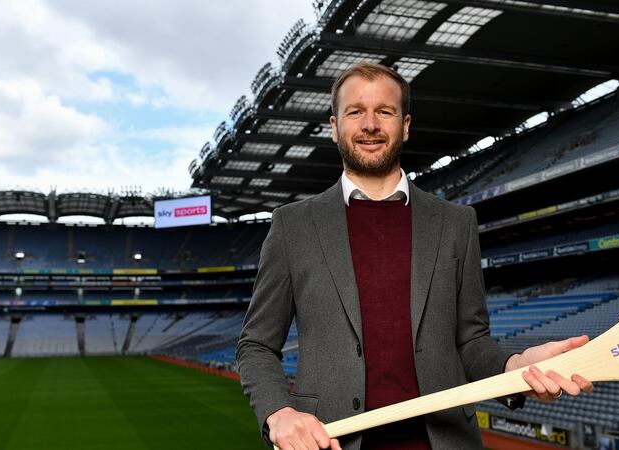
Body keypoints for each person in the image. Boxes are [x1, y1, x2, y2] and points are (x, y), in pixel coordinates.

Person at [237, 63, 593, 450]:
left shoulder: (455, 222)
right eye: (355, 111)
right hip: (331, 441)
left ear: (405, 125)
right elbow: (256, 344)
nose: (370, 124)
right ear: (334, 126)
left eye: (384, 111)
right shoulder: (294, 225)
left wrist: (515, 366)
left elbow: (471, 341)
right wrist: (279, 413)